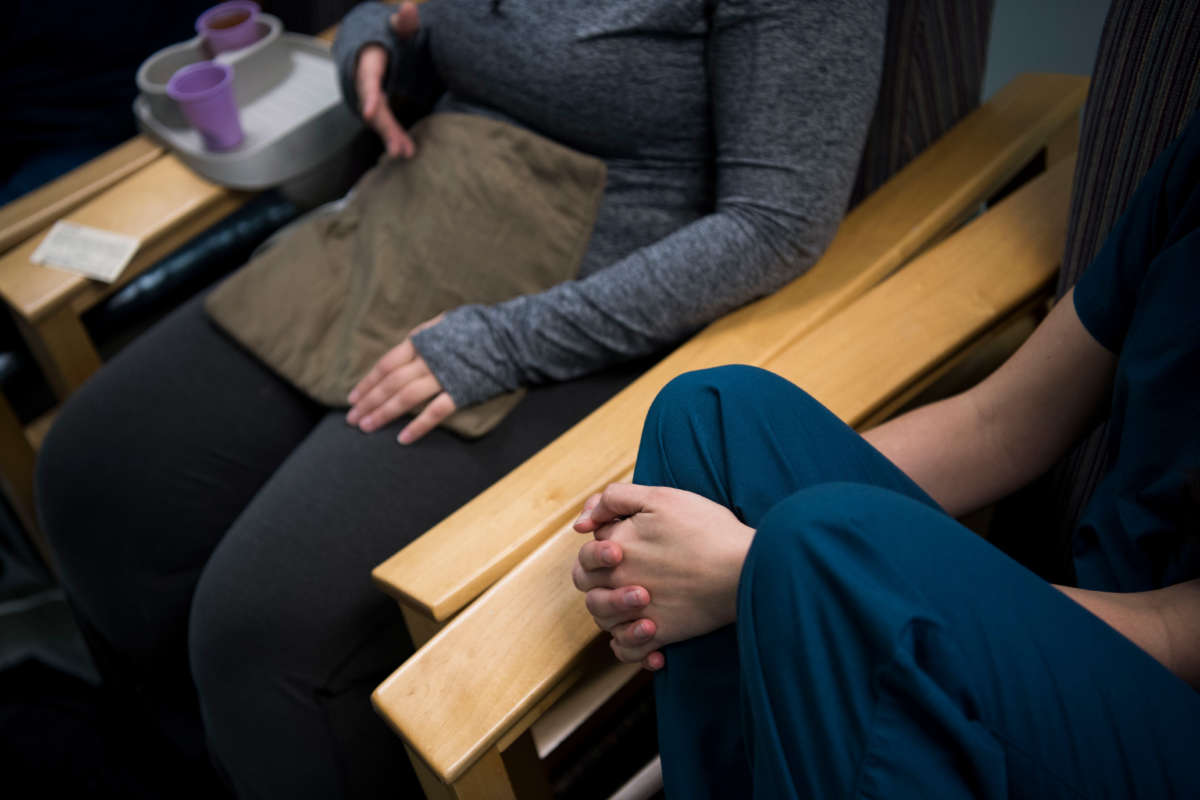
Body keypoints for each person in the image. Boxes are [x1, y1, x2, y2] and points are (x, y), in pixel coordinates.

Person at [35, 0, 889, 796]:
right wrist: (383, 40)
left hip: (595, 287)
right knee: (93, 477)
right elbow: (435, 23)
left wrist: (508, 341)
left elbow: (777, 224)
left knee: (262, 633)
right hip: (424, 205)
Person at [572, 109, 1200, 797]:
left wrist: (768, 565)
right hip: (1075, 613)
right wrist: (680, 541)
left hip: (1163, 691)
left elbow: (1175, 636)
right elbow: (1002, 421)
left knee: (816, 541)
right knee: (709, 420)